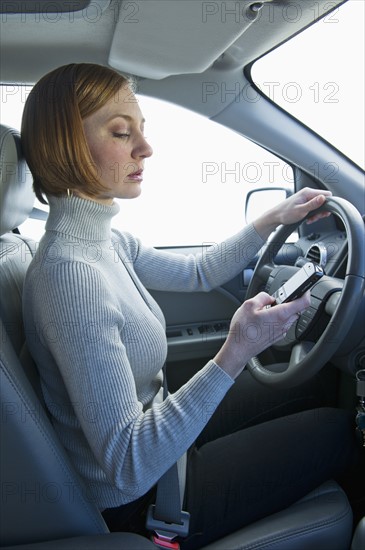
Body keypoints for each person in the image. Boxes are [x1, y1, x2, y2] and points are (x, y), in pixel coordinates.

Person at [21, 63, 359, 549]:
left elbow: (198, 271)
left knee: (317, 387)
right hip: (144, 499)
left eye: (142, 128)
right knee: (336, 431)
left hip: (164, 449)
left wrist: (275, 217)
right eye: (121, 132)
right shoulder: (70, 275)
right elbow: (128, 461)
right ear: (66, 146)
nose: (145, 147)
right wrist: (236, 350)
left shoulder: (104, 241)